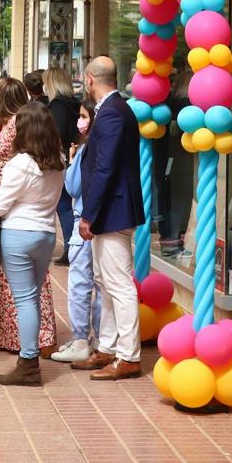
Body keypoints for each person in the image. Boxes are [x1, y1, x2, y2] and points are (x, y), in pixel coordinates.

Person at [72, 56, 144, 380]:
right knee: (105, 281)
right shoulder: (113, 109)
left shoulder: (113, 112)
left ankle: (128, 356)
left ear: (89, 79)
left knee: (118, 284)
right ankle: (108, 347)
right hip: (110, 209)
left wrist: (89, 214)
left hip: (113, 209)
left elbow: (106, 166)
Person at [0, 101, 65, 386]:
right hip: (45, 234)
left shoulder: (20, 163)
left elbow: (0, 205)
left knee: (25, 301)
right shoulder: (57, 160)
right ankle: (28, 359)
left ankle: (29, 362)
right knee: (31, 297)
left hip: (19, 234)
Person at [0, 78, 58, 355]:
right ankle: (16, 338)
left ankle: (29, 351)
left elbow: (2, 200)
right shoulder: (45, 153)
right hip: (36, 221)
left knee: (24, 294)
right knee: (26, 290)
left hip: (16, 210)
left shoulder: (21, 133)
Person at [52, 98, 101, 363]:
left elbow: (72, 187)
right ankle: (100, 337)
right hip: (103, 223)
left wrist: (72, 161)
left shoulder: (85, 149)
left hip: (84, 221)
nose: (79, 121)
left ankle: (81, 338)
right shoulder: (104, 146)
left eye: (83, 116)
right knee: (101, 284)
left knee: (81, 282)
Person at [44, 67, 80, 266]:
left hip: (60, 159)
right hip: (69, 157)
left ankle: (69, 247)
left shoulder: (58, 105)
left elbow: (55, 134)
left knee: (63, 205)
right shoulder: (72, 103)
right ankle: (70, 246)